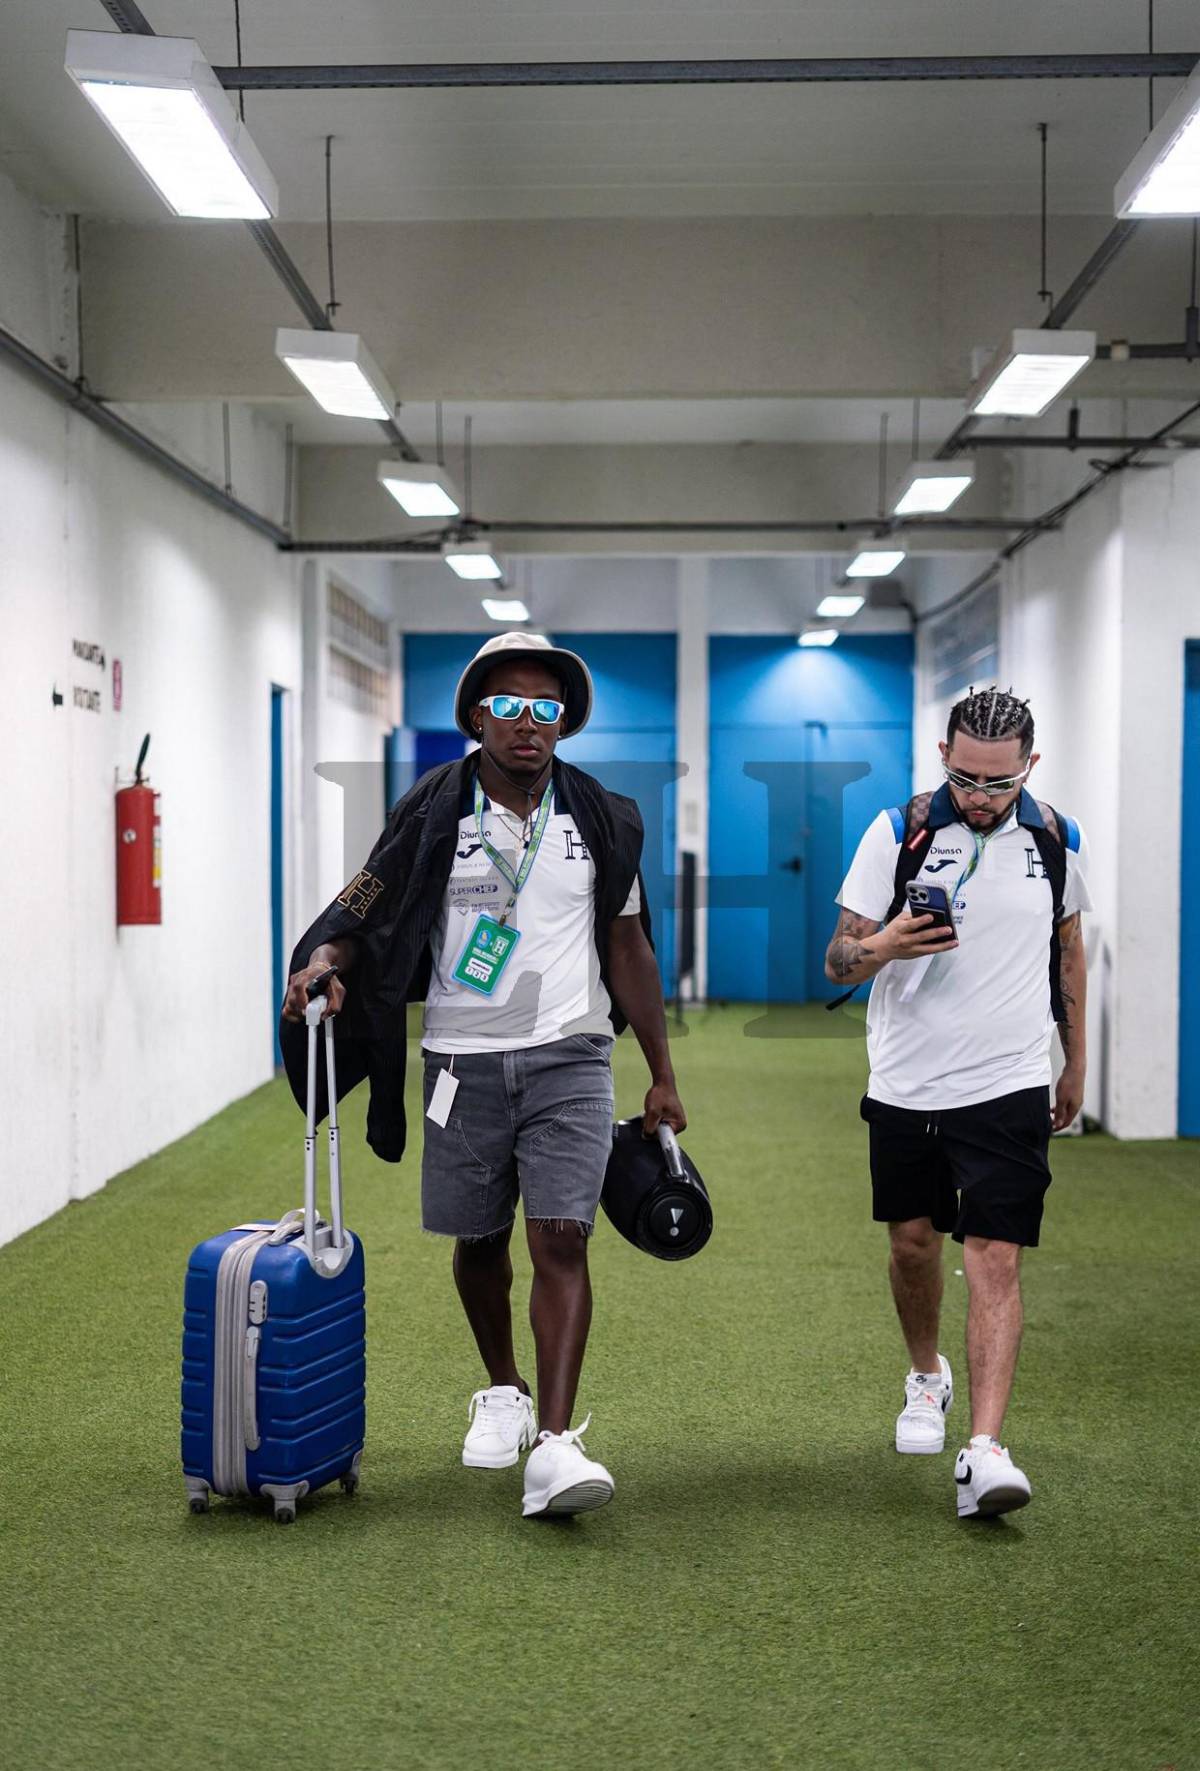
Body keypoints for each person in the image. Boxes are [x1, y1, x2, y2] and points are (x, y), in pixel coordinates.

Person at [281, 631, 686, 1521]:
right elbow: (366, 908)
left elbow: (629, 944)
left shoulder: (603, 817)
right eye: (509, 707)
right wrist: (324, 956)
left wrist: (660, 1071)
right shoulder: (430, 811)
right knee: (478, 1240)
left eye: (547, 709)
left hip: (572, 1053)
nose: (528, 724)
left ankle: (555, 1437)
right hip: (460, 1059)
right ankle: (500, 1385)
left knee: (562, 1237)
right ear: (476, 717)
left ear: (564, 723)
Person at [824, 687, 1090, 1519]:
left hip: (1007, 1082)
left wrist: (1074, 1060)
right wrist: (884, 944)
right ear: (943, 753)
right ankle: (926, 1374)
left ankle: (984, 1449)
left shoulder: (1053, 837)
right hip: (906, 1081)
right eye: (966, 778)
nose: (979, 798)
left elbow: (1069, 949)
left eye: (998, 784)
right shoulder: (896, 830)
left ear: (1029, 769)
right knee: (912, 1245)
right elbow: (836, 960)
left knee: (996, 1255)